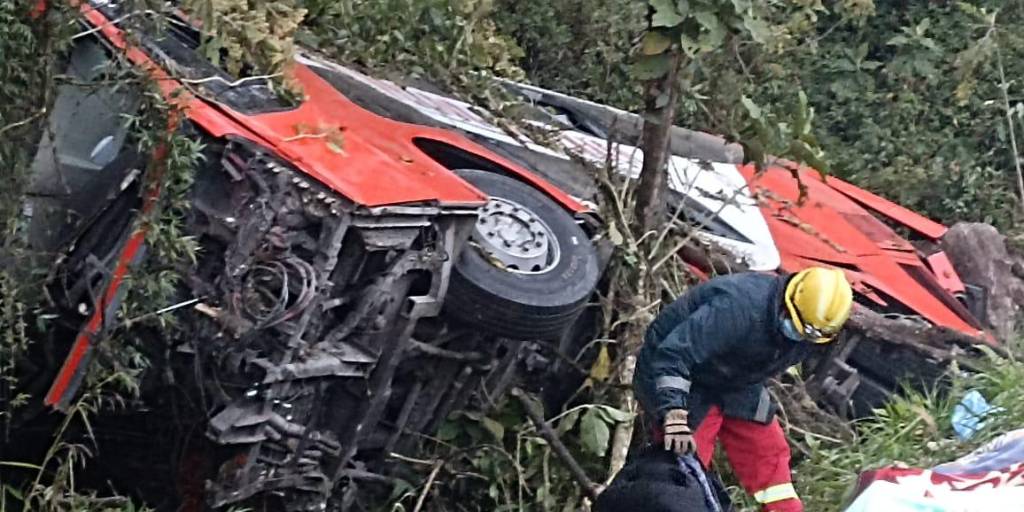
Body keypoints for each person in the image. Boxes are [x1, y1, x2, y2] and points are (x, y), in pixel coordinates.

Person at [633, 267, 853, 512]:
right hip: (679, 375)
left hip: (735, 379)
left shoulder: (810, 331)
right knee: (686, 468)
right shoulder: (737, 308)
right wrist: (674, 413)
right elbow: (672, 356)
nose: (798, 337)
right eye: (797, 326)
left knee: (768, 451)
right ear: (788, 302)